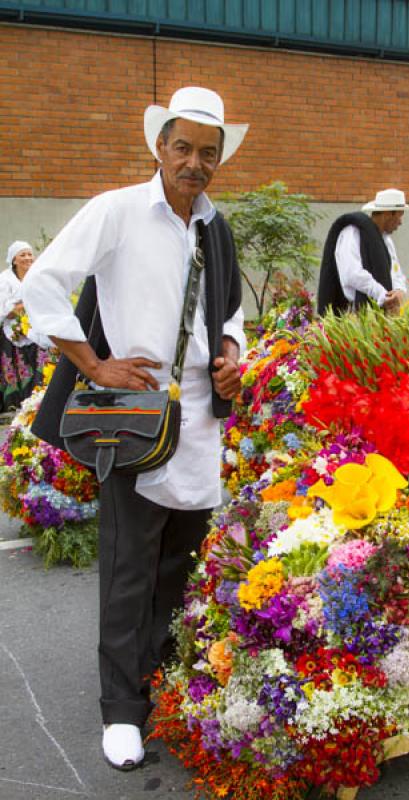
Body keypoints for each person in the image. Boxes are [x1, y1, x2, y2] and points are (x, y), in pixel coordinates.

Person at [22, 86, 248, 770]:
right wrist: (95, 363)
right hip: (133, 427)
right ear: (159, 146)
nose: (194, 163)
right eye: (183, 148)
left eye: (207, 153)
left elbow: (229, 313)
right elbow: (44, 285)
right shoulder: (116, 211)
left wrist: (234, 353)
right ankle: (121, 710)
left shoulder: (216, 228)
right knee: (128, 569)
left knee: (177, 568)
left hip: (201, 427)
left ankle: (158, 682)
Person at [317, 188, 409, 316]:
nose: (400, 222)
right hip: (352, 313)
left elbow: (396, 271)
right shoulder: (352, 233)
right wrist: (381, 294)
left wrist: (398, 290)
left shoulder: (387, 241)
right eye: (399, 216)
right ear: (388, 214)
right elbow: (352, 273)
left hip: (378, 312)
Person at [0, 241, 49, 411]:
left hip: (37, 332)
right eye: (23, 255)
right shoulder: (5, 280)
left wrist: (22, 305)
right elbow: (5, 312)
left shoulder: (38, 276)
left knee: (41, 370)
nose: (28, 258)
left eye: (29, 254)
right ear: (14, 260)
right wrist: (26, 304)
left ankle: (39, 406)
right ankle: (16, 408)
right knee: (18, 371)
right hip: (13, 335)